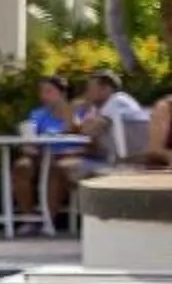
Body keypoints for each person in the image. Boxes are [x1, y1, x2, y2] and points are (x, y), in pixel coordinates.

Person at [48, 68, 150, 224]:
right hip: (113, 159)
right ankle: (60, 220)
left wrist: (76, 109)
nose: (87, 93)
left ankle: (53, 221)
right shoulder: (102, 108)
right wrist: (71, 111)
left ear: (105, 88)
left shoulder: (118, 100)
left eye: (91, 88)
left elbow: (87, 130)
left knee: (61, 168)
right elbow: (79, 132)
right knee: (61, 164)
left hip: (126, 163)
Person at [12, 76, 76, 229]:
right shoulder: (38, 114)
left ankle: (48, 221)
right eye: (41, 92)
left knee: (55, 168)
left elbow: (80, 135)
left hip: (66, 156)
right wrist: (28, 144)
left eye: (48, 91)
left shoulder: (75, 113)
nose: (43, 96)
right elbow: (30, 133)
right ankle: (29, 219)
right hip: (40, 156)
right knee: (21, 166)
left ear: (63, 93)